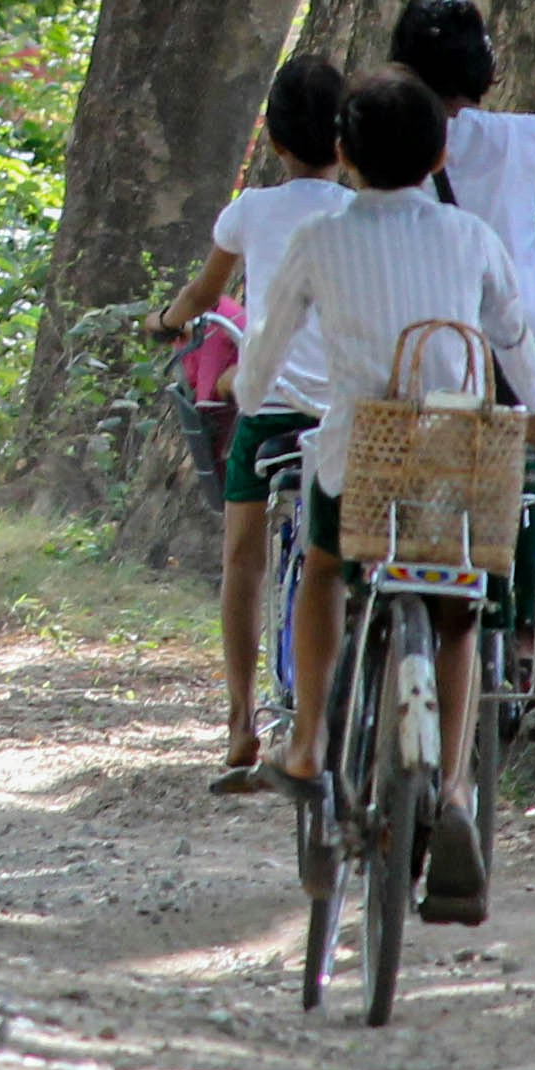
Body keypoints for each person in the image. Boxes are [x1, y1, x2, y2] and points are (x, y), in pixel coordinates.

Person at [241, 67, 535, 924]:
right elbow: (514, 338)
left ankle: (306, 741)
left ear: (343, 153)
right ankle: (453, 791)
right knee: (455, 616)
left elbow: (264, 346)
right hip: (453, 462)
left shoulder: (321, 239)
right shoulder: (468, 237)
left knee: (328, 569)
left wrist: (244, 387)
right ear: (441, 152)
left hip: (358, 458)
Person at [394, 0, 535, 734]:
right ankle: (522, 654)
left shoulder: (393, 135)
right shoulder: (524, 140)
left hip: (430, 341)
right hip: (527, 333)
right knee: (533, 486)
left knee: (437, 479)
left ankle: (419, 623)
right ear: (484, 71)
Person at [150, 53, 351, 791]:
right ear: (347, 138)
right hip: (347, 417)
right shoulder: (360, 211)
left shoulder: (252, 211)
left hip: (272, 418)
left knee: (243, 557)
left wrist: (165, 321)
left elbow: (204, 295)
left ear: (273, 140)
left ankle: (240, 721)